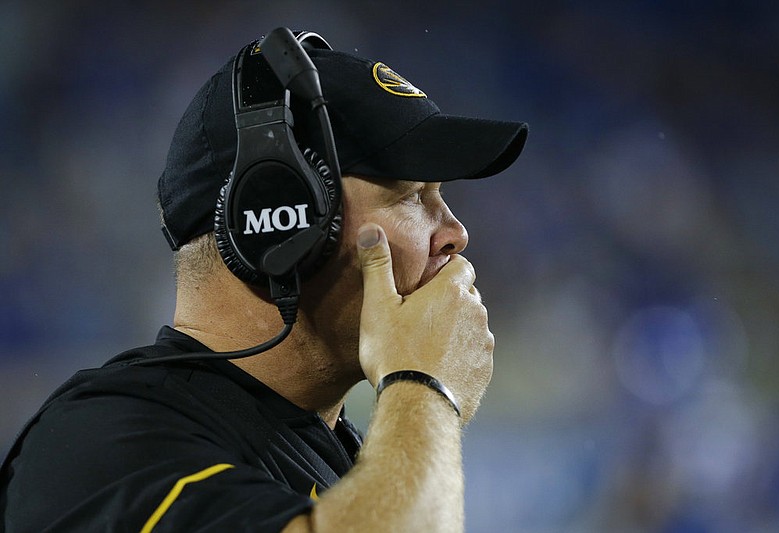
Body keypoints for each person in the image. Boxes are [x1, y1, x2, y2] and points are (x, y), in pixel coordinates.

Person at [0, 28, 527, 532]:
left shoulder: (335, 457)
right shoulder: (106, 446)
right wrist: (424, 384)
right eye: (412, 196)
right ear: (282, 218)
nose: (455, 233)